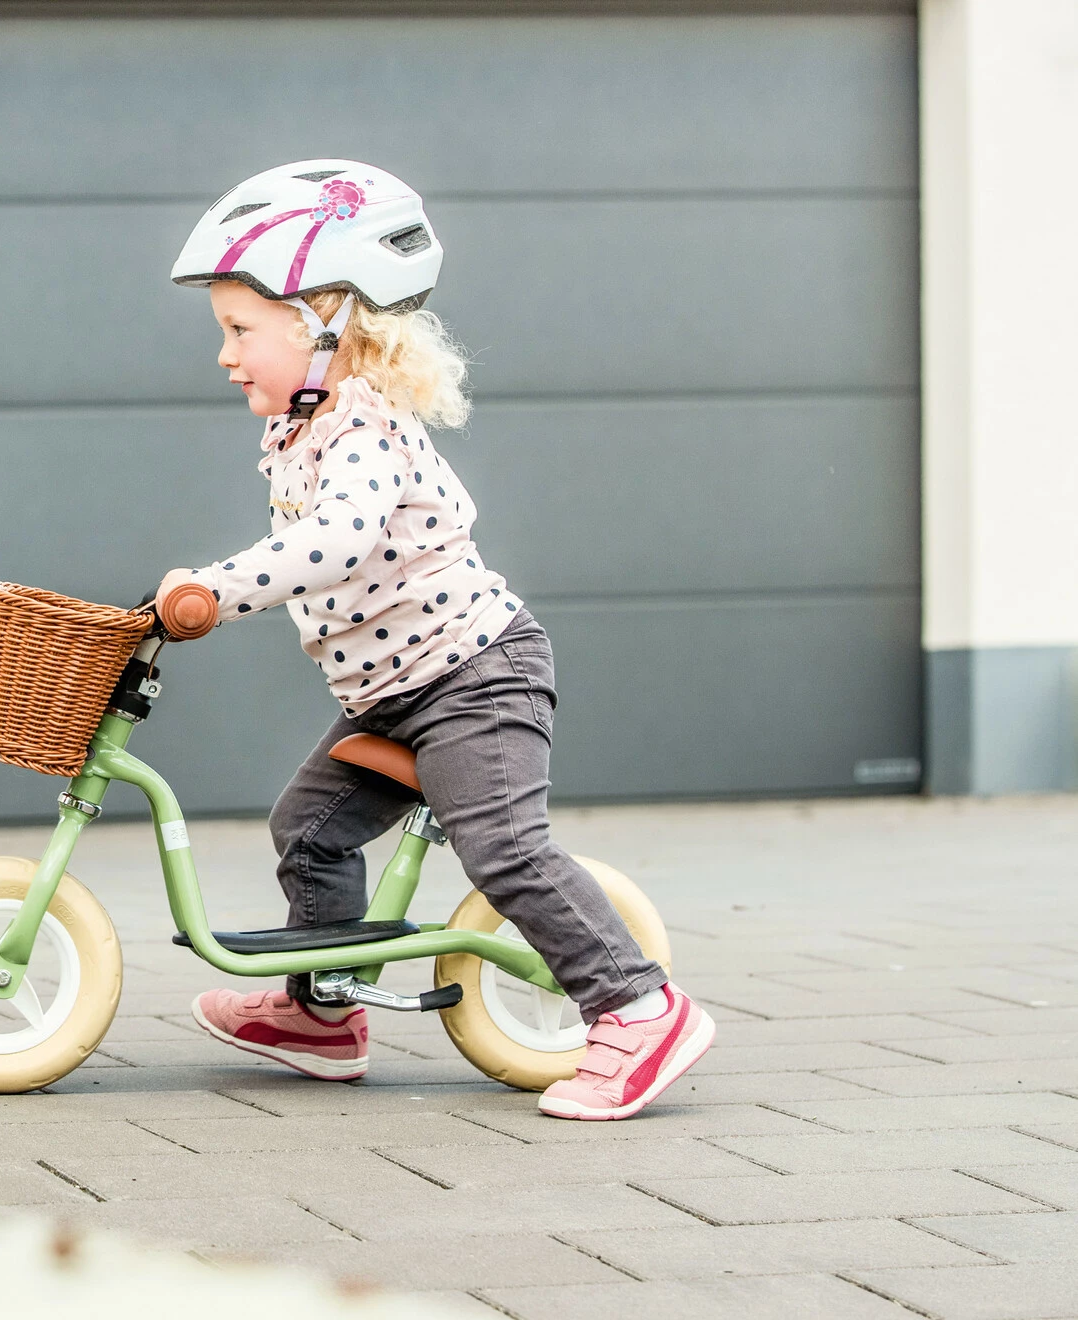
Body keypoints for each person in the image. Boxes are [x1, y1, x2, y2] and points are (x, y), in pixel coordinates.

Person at [156, 160, 714, 1120]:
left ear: (326, 321)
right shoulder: (301, 431)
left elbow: (337, 540)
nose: (226, 354)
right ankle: (321, 1016)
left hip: (475, 677)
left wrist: (217, 586)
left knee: (502, 846)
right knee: (310, 830)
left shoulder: (362, 423)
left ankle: (639, 1006)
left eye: (241, 331)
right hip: (391, 699)